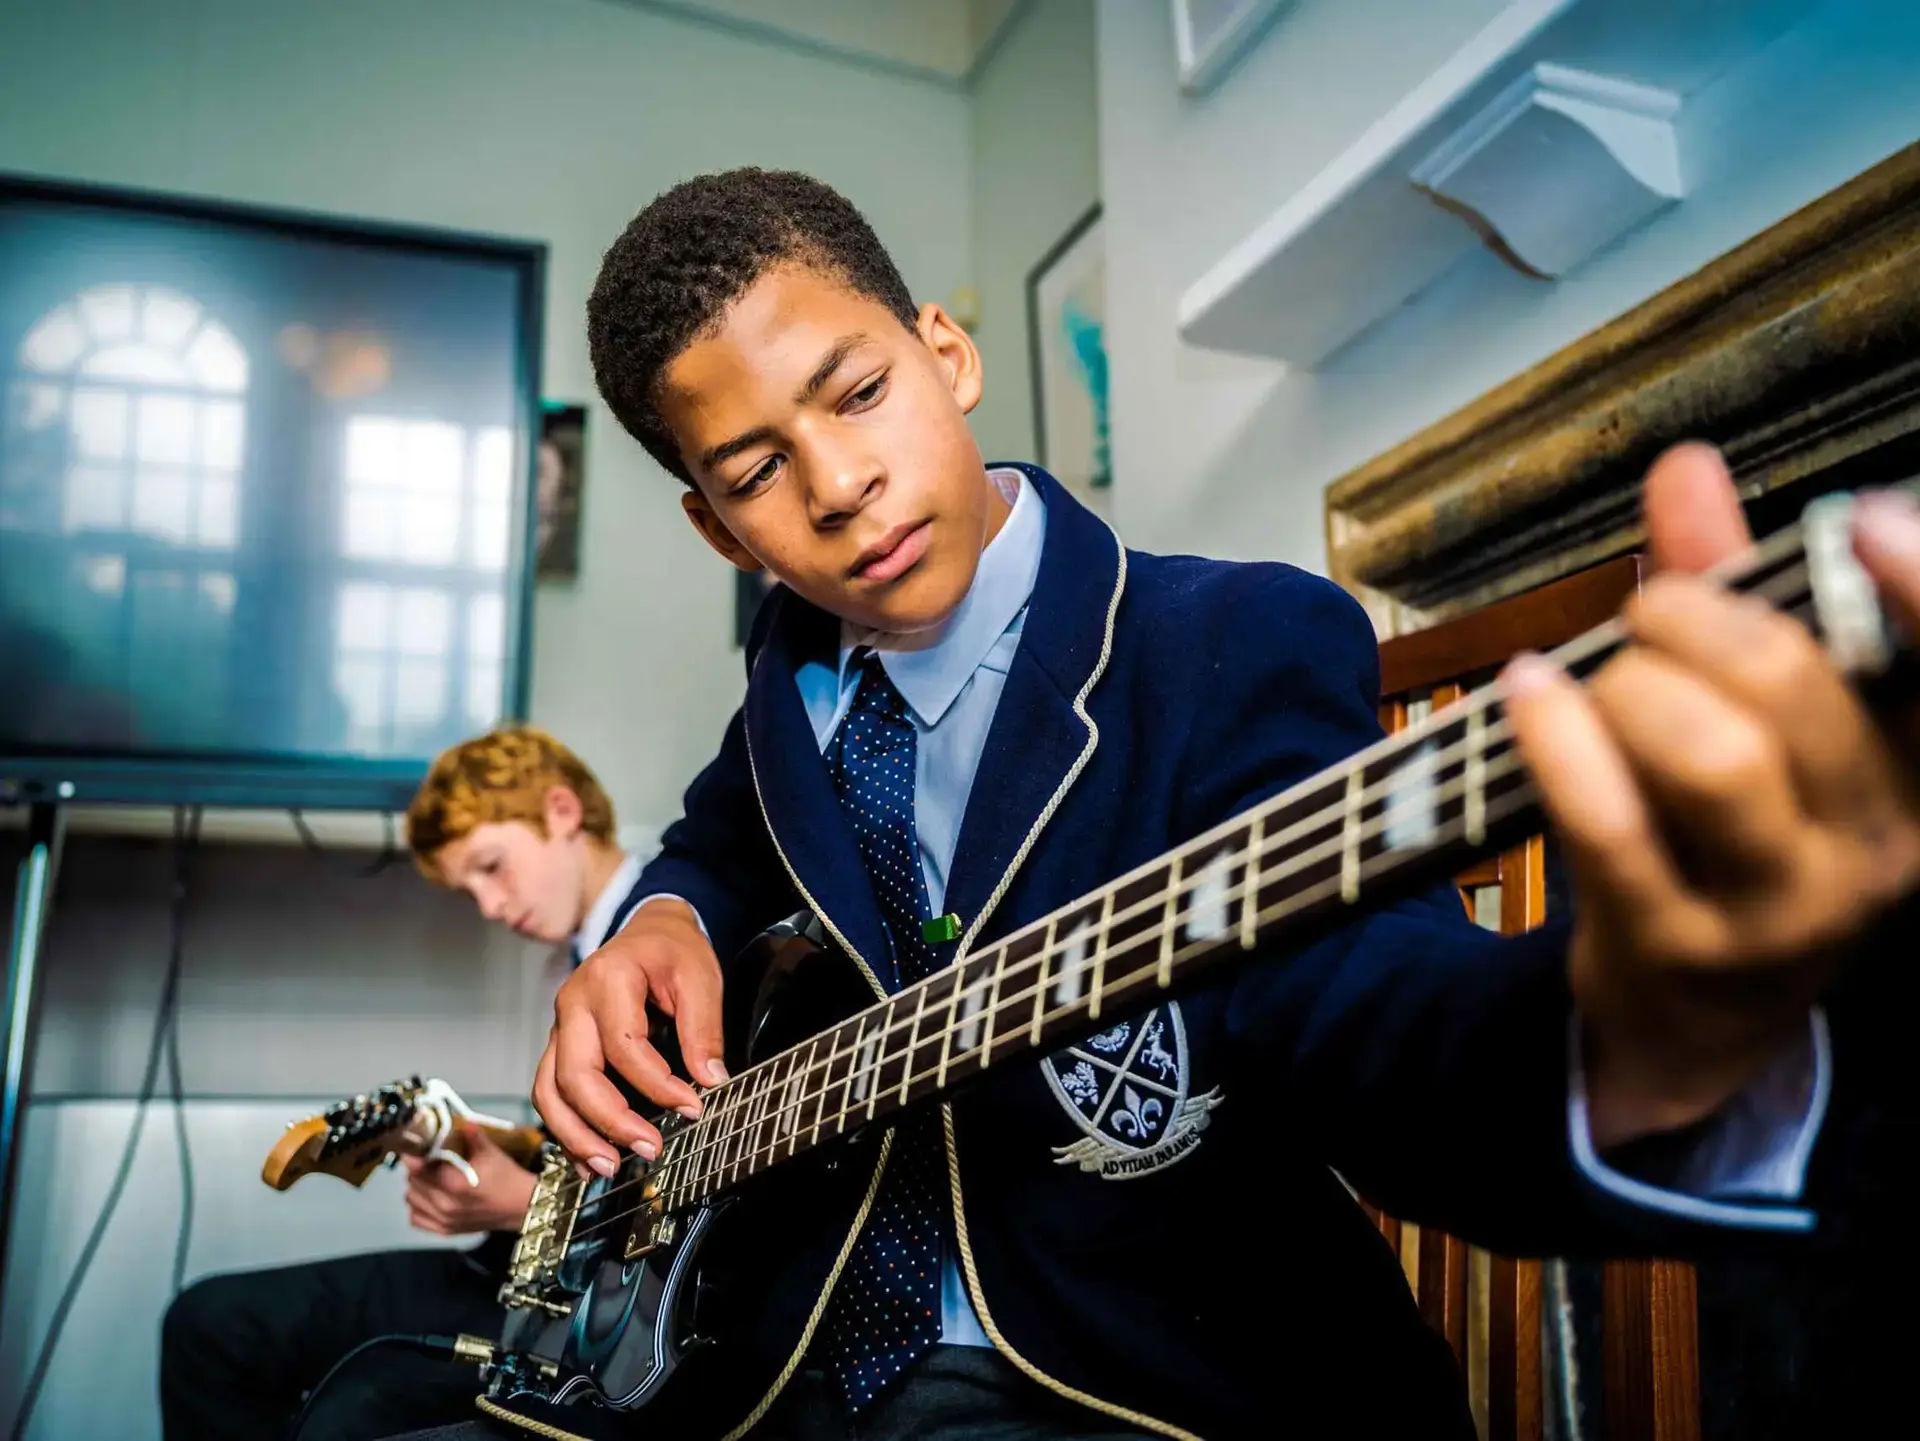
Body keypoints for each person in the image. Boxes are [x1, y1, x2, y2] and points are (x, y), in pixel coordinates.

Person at [405, 170, 1920, 1441]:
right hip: (792, 1365)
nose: (841, 483)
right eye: (754, 469)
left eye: (860, 393)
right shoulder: (787, 690)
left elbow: (1380, 1017)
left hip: (1149, 1379)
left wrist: (1644, 1029)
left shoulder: (1233, 643)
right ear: (711, 520)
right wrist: (664, 910)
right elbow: (723, 831)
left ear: (946, 352)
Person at [160, 726, 651, 1441]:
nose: (488, 905)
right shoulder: (562, 962)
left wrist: (529, 1204)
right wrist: (469, 1142)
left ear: (561, 811)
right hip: (513, 1261)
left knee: (353, 1407)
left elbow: (684, 1162)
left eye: (492, 866)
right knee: (211, 1322)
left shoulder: (674, 934)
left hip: (594, 1293)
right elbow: (579, 1139)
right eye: (469, 887)